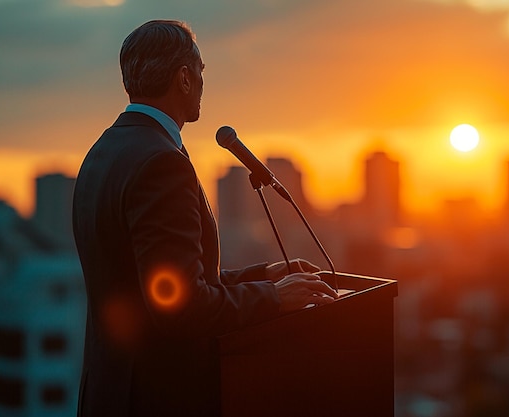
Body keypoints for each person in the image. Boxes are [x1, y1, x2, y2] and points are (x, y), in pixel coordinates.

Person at [72, 19, 338, 417]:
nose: (201, 82)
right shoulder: (162, 162)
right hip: (157, 398)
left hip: (109, 393)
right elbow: (181, 306)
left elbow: (157, 283)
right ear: (183, 78)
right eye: (200, 71)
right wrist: (276, 298)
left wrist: (264, 275)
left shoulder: (104, 150)